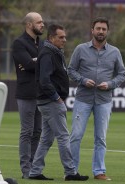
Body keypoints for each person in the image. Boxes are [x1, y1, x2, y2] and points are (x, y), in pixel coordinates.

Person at [67, 17, 125, 181]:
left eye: (103, 29)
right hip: (83, 99)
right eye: (98, 28)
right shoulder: (81, 49)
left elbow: (122, 74)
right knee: (76, 135)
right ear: (92, 30)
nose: (101, 31)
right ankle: (72, 171)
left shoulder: (114, 52)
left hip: (104, 100)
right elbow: (71, 70)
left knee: (100, 138)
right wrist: (83, 80)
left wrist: (110, 84)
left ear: (107, 32)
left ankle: (99, 171)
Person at [28, 24, 89, 181]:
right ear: (51, 38)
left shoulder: (53, 52)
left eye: (65, 37)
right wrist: (56, 97)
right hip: (51, 101)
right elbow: (44, 80)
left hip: (47, 101)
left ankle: (35, 171)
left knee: (47, 139)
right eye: (61, 37)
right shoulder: (48, 53)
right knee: (63, 136)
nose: (64, 40)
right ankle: (70, 171)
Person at [11, 12, 44, 179]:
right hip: (26, 94)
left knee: (38, 131)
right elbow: (29, 65)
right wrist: (39, 61)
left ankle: (34, 168)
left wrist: (34, 61)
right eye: (39, 22)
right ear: (29, 25)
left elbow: (36, 64)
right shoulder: (19, 43)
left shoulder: (43, 44)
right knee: (27, 132)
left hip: (41, 94)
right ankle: (26, 170)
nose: (42, 25)